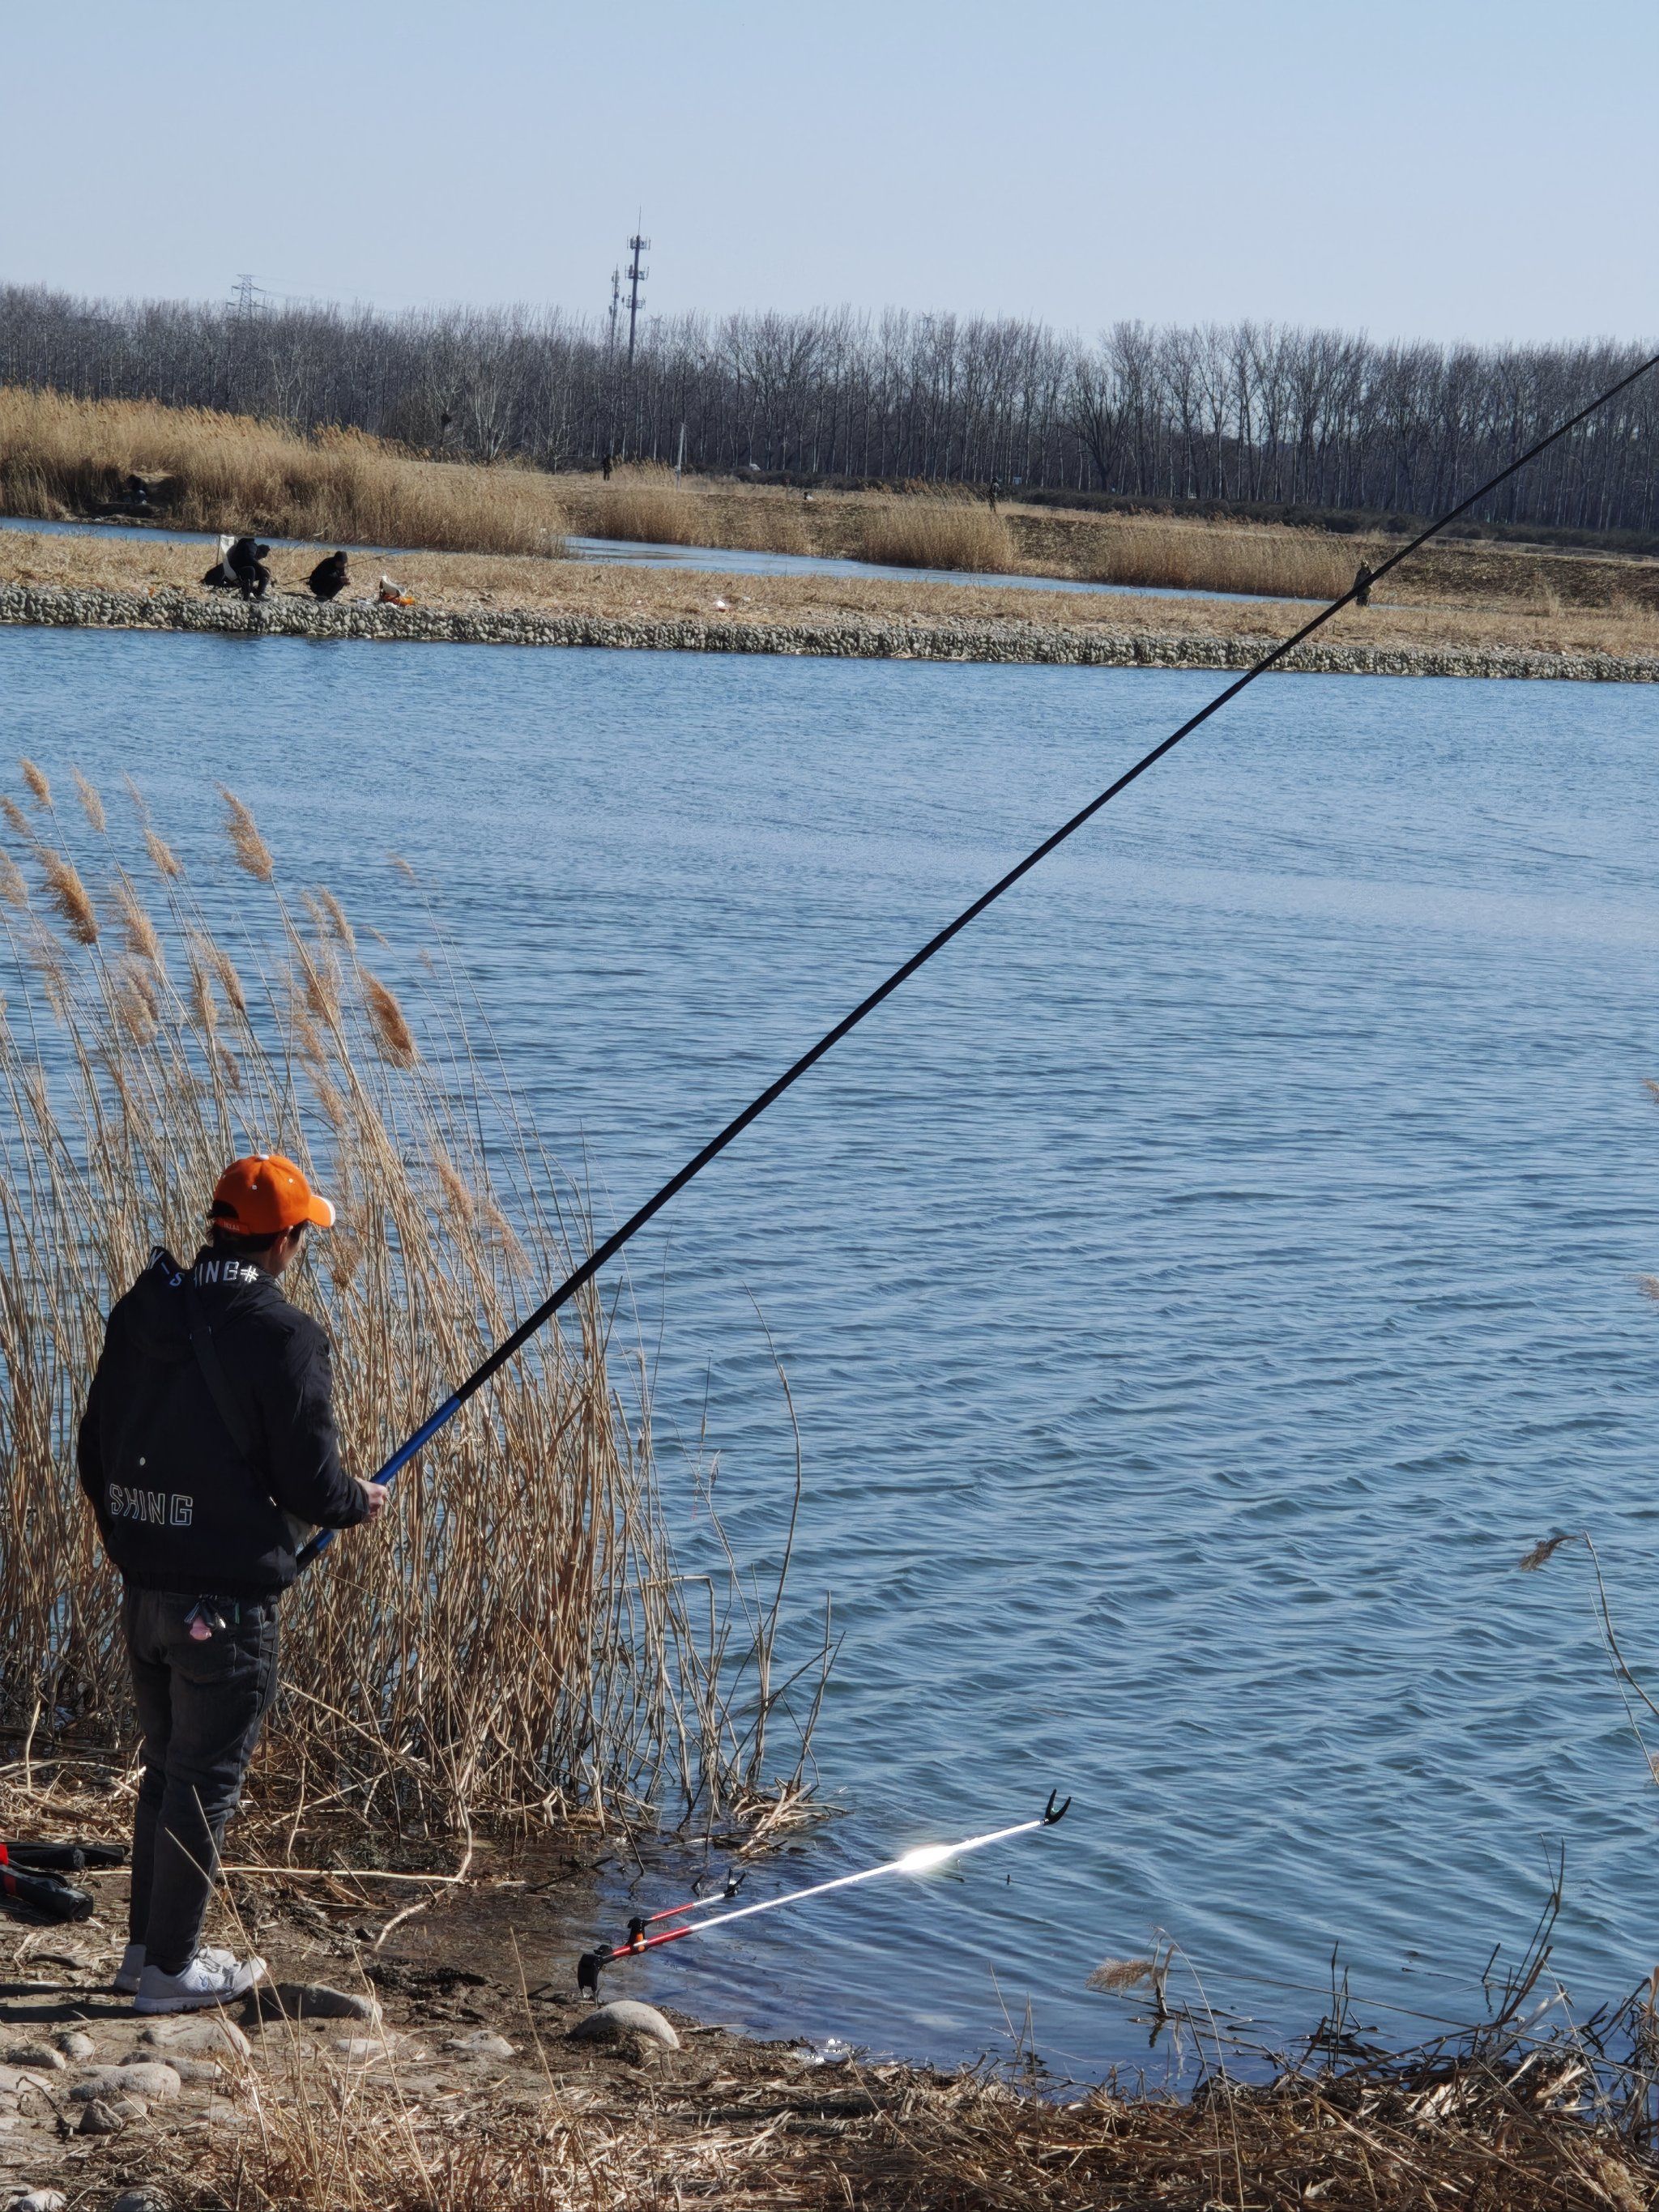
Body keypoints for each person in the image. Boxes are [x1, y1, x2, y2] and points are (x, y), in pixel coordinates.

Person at [77, 1154, 387, 2014]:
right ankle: (171, 1973)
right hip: (224, 1609)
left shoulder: (145, 1309)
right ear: (282, 1241)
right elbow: (310, 1485)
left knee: (166, 1772)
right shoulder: (283, 1336)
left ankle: (144, 1954)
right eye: (301, 1236)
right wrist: (354, 1501)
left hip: (144, 1594)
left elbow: (91, 1452)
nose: (301, 1250)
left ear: (218, 1227)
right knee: (203, 1780)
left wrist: (138, 1548)